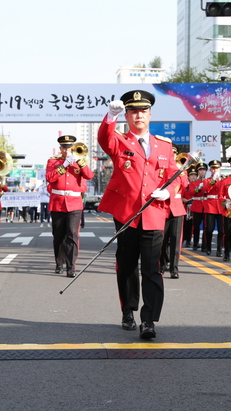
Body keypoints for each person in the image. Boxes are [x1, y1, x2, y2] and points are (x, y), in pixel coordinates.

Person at [98, 89, 180, 340]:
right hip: (126, 214)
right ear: (127, 116)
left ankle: (148, 320)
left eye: (142, 111)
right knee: (126, 265)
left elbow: (177, 175)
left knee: (152, 268)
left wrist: (170, 191)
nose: (138, 116)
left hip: (154, 214)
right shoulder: (120, 141)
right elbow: (104, 139)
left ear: (150, 114)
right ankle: (128, 310)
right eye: (132, 112)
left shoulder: (164, 145)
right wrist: (110, 117)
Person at [46, 135, 94, 277]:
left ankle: (71, 266)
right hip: (57, 202)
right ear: (60, 149)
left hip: (74, 203)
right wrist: (64, 165)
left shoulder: (80, 161)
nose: (67, 150)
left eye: (69, 147)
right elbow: (50, 178)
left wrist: (80, 163)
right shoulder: (53, 161)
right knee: (58, 235)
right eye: (64, 147)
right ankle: (59, 262)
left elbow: (89, 176)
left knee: (72, 235)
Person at [159, 145, 187, 279]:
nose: (173, 155)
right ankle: (161, 265)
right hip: (163, 207)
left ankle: (174, 269)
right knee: (162, 239)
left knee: (176, 240)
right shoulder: (162, 168)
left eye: (174, 153)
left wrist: (181, 171)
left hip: (176, 207)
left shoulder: (181, 169)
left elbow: (185, 184)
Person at [201, 160, 224, 256]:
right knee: (209, 229)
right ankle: (208, 247)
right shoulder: (207, 180)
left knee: (221, 230)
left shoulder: (223, 180)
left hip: (221, 206)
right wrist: (213, 180)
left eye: (217, 168)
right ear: (210, 169)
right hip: (210, 206)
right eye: (213, 168)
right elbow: (205, 189)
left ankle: (219, 250)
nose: (215, 170)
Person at [189, 162, 207, 251]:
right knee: (196, 226)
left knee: (206, 227)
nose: (202, 172)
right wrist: (198, 188)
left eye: (203, 170)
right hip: (197, 206)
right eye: (200, 170)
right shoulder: (194, 182)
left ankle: (204, 244)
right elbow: (192, 192)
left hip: (206, 206)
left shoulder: (208, 181)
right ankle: (195, 243)